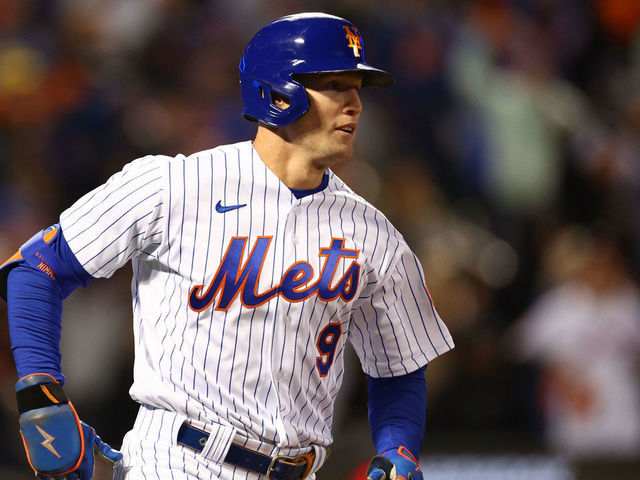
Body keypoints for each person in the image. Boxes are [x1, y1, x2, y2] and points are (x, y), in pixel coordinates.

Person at [0, 12, 453, 480]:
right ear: (278, 92)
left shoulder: (373, 233)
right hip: (178, 460)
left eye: (357, 87)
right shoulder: (172, 185)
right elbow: (35, 269)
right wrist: (40, 390)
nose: (355, 103)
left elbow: (397, 368)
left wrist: (399, 448)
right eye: (335, 85)